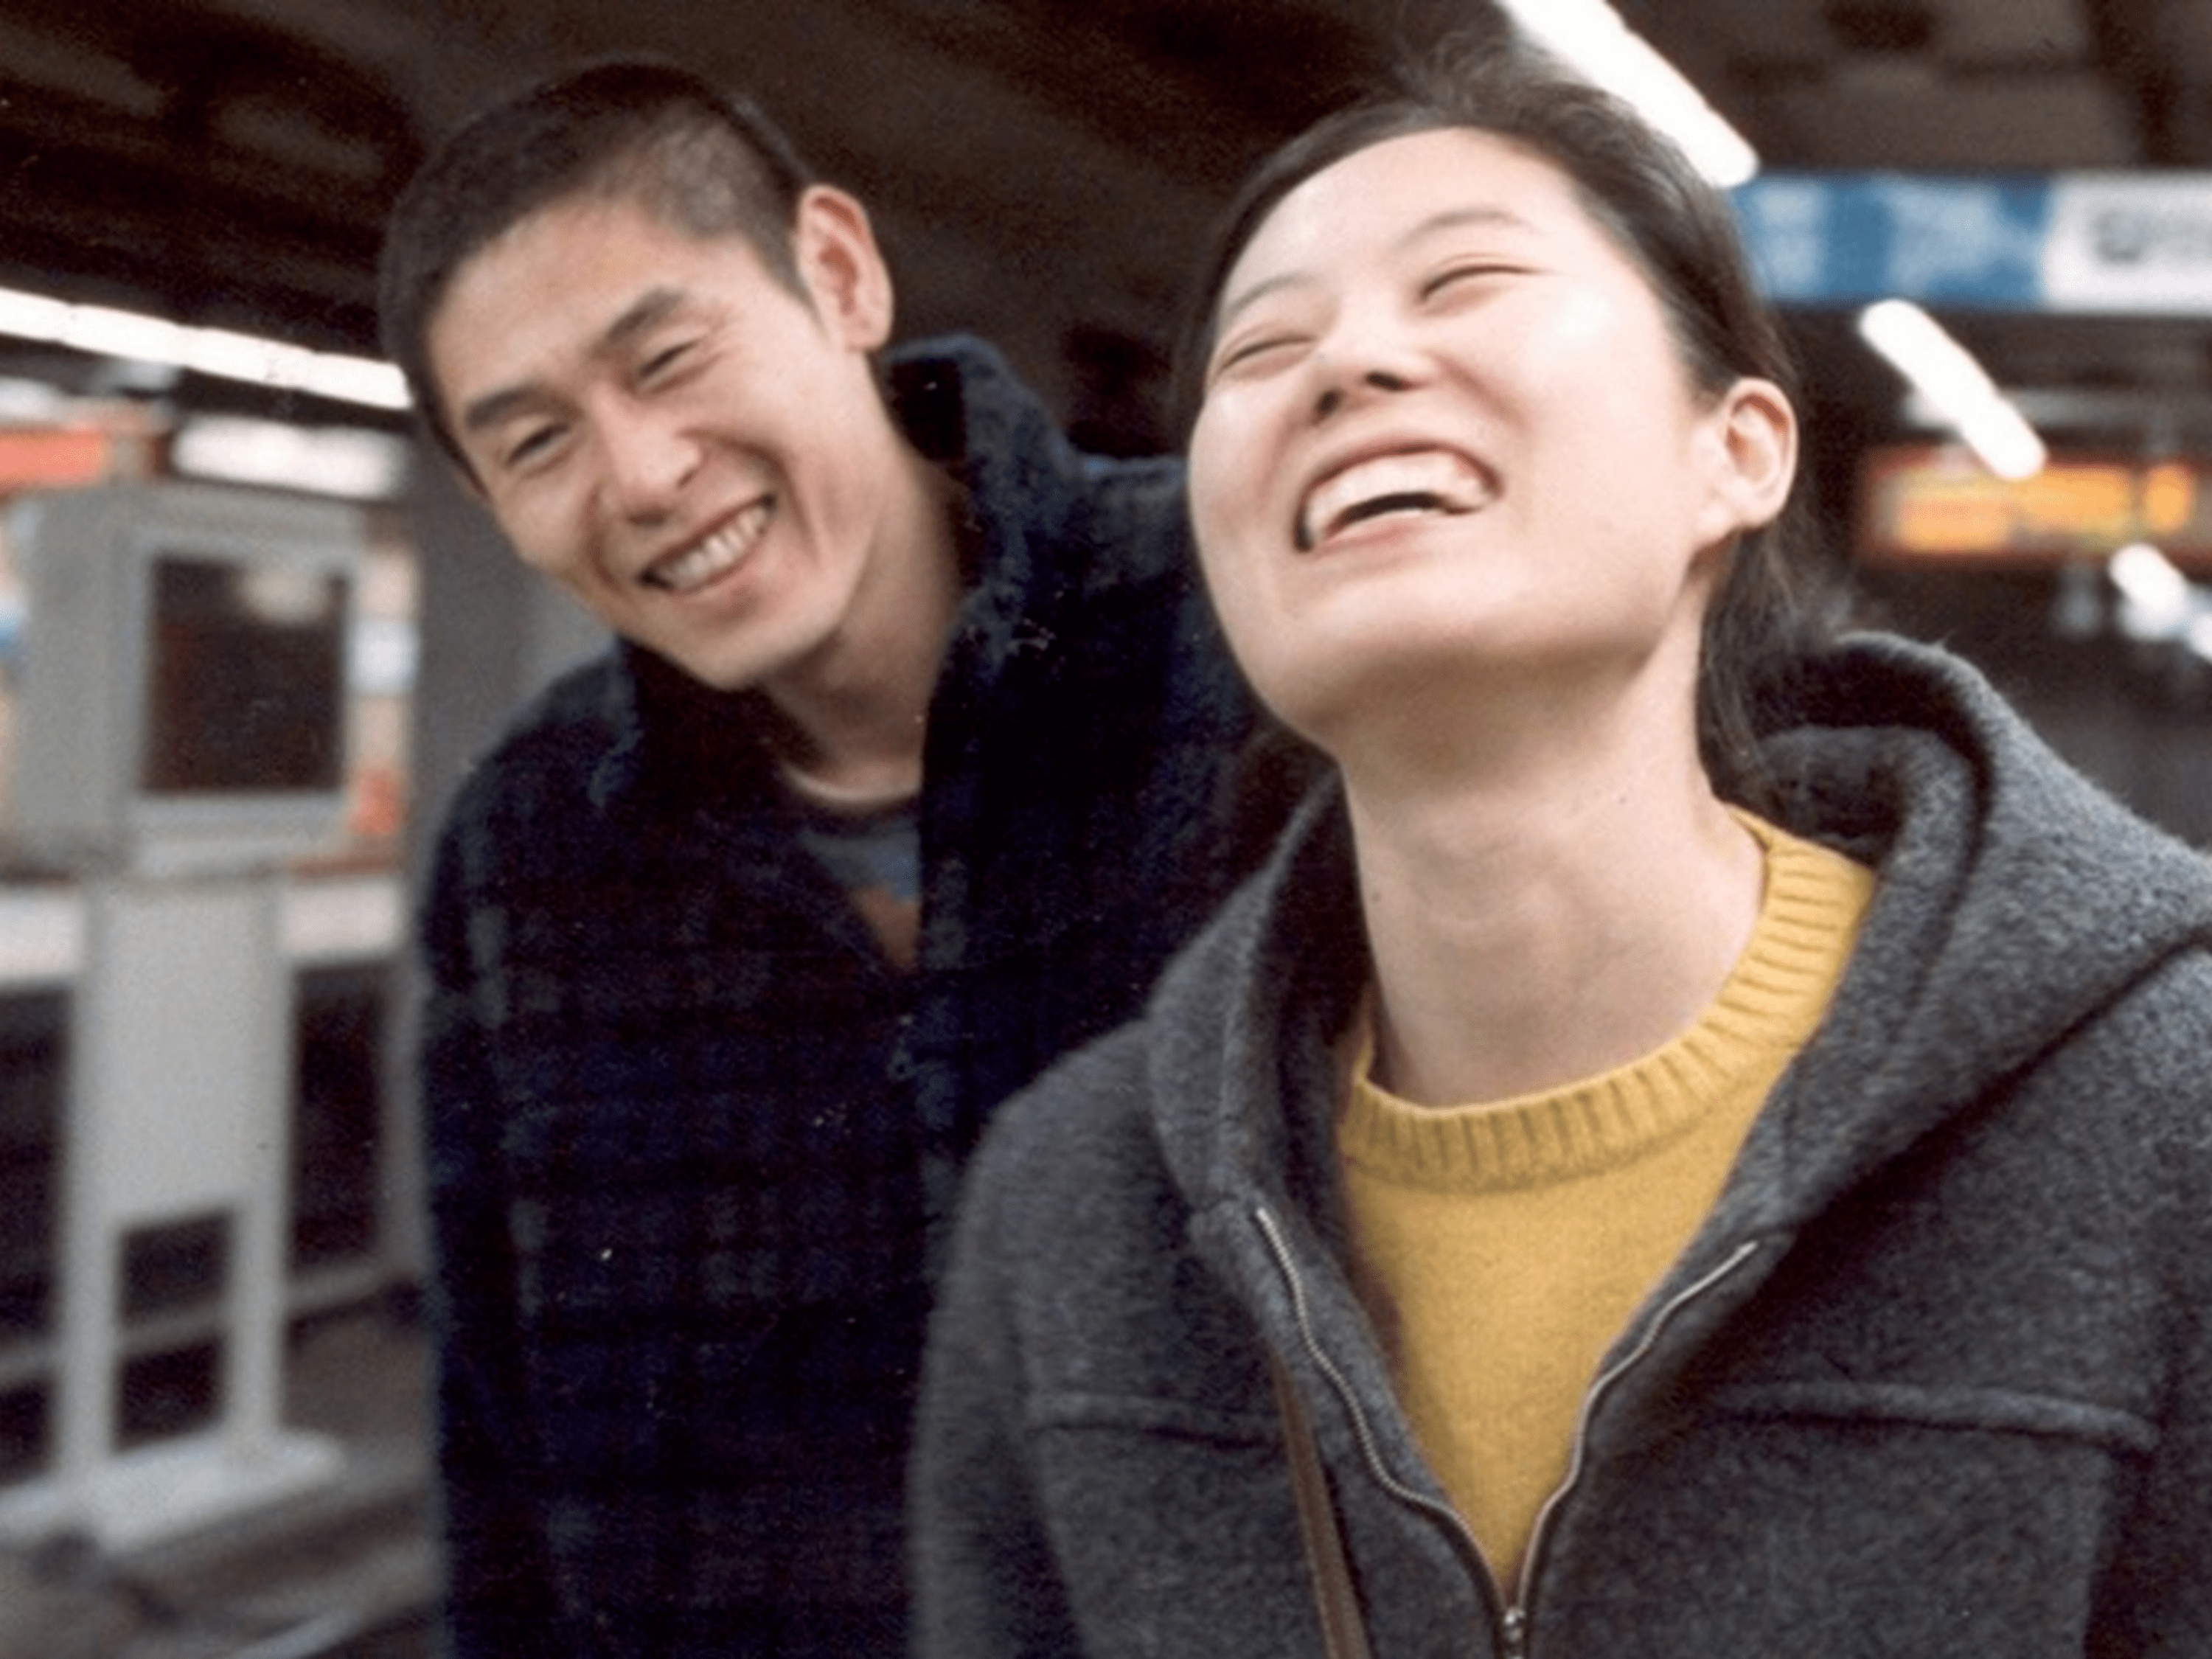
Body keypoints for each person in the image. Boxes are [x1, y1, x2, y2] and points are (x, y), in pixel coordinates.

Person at [911, 42, 2212, 1659]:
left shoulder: (2168, 1114)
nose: (1350, 365)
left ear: (1735, 450)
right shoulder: (1070, 1218)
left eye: (1465, 282)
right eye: (1265, 346)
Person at [377, 59, 1273, 1658]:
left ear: (841, 277)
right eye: (536, 443)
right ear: (485, 500)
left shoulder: (1256, 640)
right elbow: (498, 1452)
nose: (642, 474)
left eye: (668, 356)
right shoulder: (529, 842)